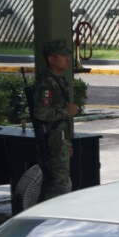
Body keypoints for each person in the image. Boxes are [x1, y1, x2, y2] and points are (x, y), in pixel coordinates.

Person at [30, 39, 79, 201]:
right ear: (51, 59)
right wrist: (67, 112)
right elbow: (41, 112)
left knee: (59, 182)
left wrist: (67, 142)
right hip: (53, 141)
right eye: (63, 56)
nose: (67, 59)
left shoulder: (57, 81)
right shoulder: (47, 83)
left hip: (60, 140)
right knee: (60, 185)